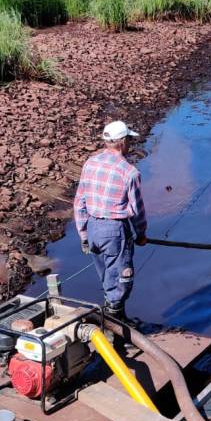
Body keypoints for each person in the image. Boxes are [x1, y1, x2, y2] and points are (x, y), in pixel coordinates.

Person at [73, 120, 147, 319]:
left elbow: (79, 202)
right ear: (122, 142)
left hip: (92, 228)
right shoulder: (130, 172)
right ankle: (115, 331)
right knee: (121, 280)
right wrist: (141, 234)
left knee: (107, 277)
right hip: (114, 231)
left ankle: (116, 321)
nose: (130, 144)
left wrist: (83, 235)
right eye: (129, 139)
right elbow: (137, 210)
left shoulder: (90, 164)